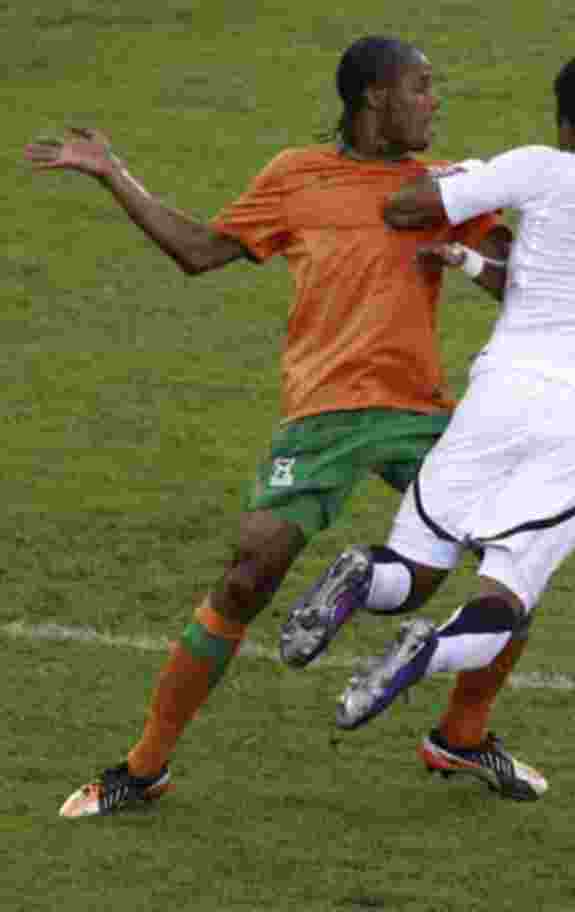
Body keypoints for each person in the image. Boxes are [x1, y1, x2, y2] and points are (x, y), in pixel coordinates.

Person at [25, 35, 509, 818]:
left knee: (516, 557)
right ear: (373, 100)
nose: (434, 102)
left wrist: (490, 245)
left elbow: (529, 284)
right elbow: (199, 251)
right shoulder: (295, 176)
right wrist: (114, 174)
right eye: (420, 88)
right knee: (247, 578)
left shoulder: (445, 188)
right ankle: (144, 768)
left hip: (421, 416)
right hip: (320, 417)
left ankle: (462, 733)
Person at [277, 49, 575, 801]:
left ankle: (366, 577)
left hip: (499, 393)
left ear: (564, 120)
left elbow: (407, 205)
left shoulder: (537, 168)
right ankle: (429, 654)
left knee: (414, 563)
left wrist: (460, 200)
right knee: (507, 591)